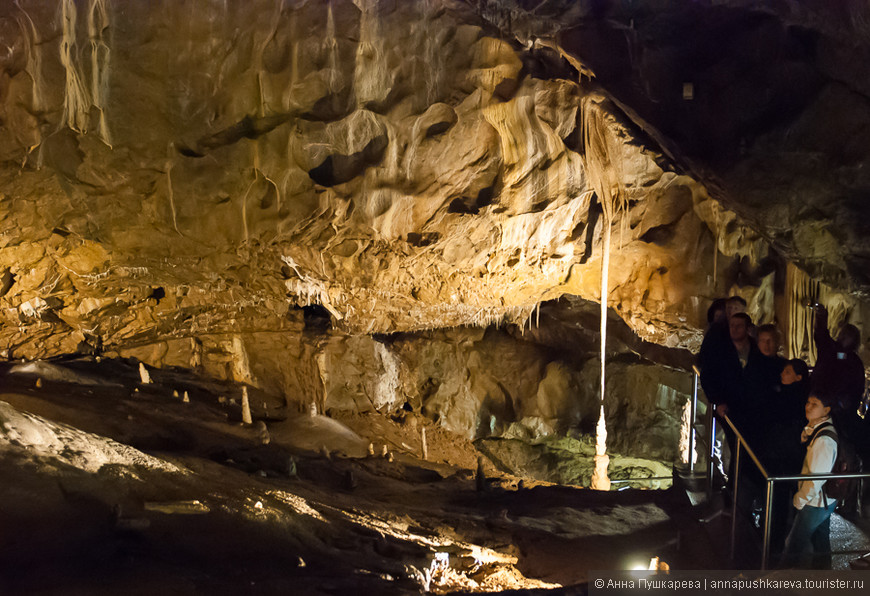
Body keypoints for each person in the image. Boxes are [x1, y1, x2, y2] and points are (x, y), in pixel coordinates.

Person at [780, 392, 839, 569]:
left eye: (815, 404)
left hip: (816, 501)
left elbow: (816, 478)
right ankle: (822, 580)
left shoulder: (824, 439)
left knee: (794, 544)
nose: (808, 406)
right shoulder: (819, 430)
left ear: (826, 410)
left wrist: (800, 499)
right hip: (823, 501)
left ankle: (780, 581)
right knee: (820, 542)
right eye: (808, 402)